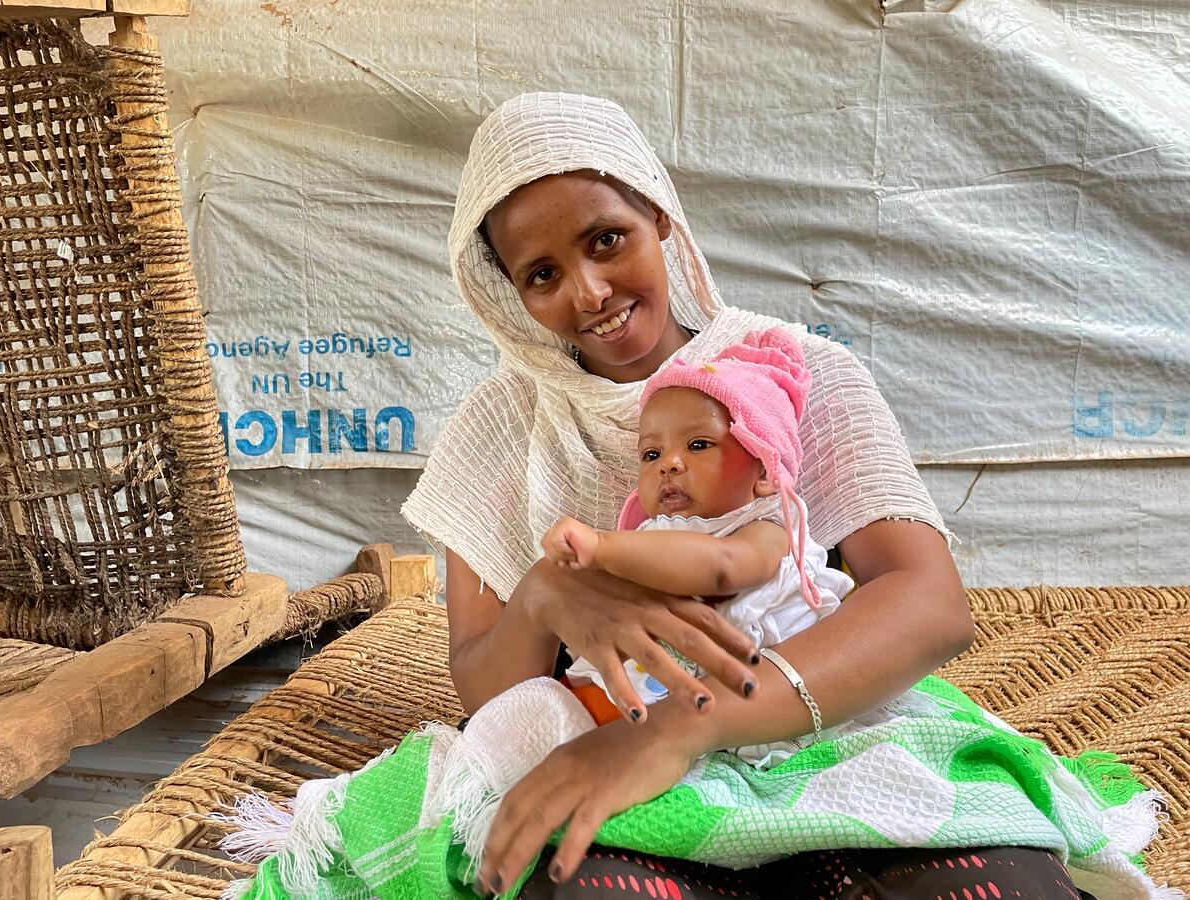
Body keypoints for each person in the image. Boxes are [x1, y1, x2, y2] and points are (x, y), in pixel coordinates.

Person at [399, 92, 1138, 898]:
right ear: (509, 294)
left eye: (606, 239)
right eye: (542, 275)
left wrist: (686, 726)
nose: (589, 292)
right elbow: (485, 692)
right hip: (605, 739)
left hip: (822, 727)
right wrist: (545, 594)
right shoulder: (499, 430)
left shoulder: (793, 373)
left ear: (660, 214)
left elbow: (928, 604)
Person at [543, 326, 856, 745]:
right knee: (554, 712)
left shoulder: (765, 529)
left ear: (765, 471)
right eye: (651, 454)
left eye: (698, 445)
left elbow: (721, 568)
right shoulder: (651, 533)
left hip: (754, 709)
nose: (668, 464)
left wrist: (602, 547)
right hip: (660, 688)